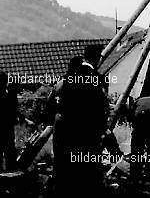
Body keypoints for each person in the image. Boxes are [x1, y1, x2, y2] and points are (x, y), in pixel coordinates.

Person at [52, 50, 109, 196]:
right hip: (85, 128)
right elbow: (101, 106)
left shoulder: (63, 82)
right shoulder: (95, 80)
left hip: (64, 126)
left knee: (64, 161)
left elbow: (51, 104)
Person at [0, 70, 18, 171]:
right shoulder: (8, 95)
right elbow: (13, 110)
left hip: (6, 126)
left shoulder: (8, 95)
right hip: (7, 127)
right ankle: (11, 171)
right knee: (9, 151)